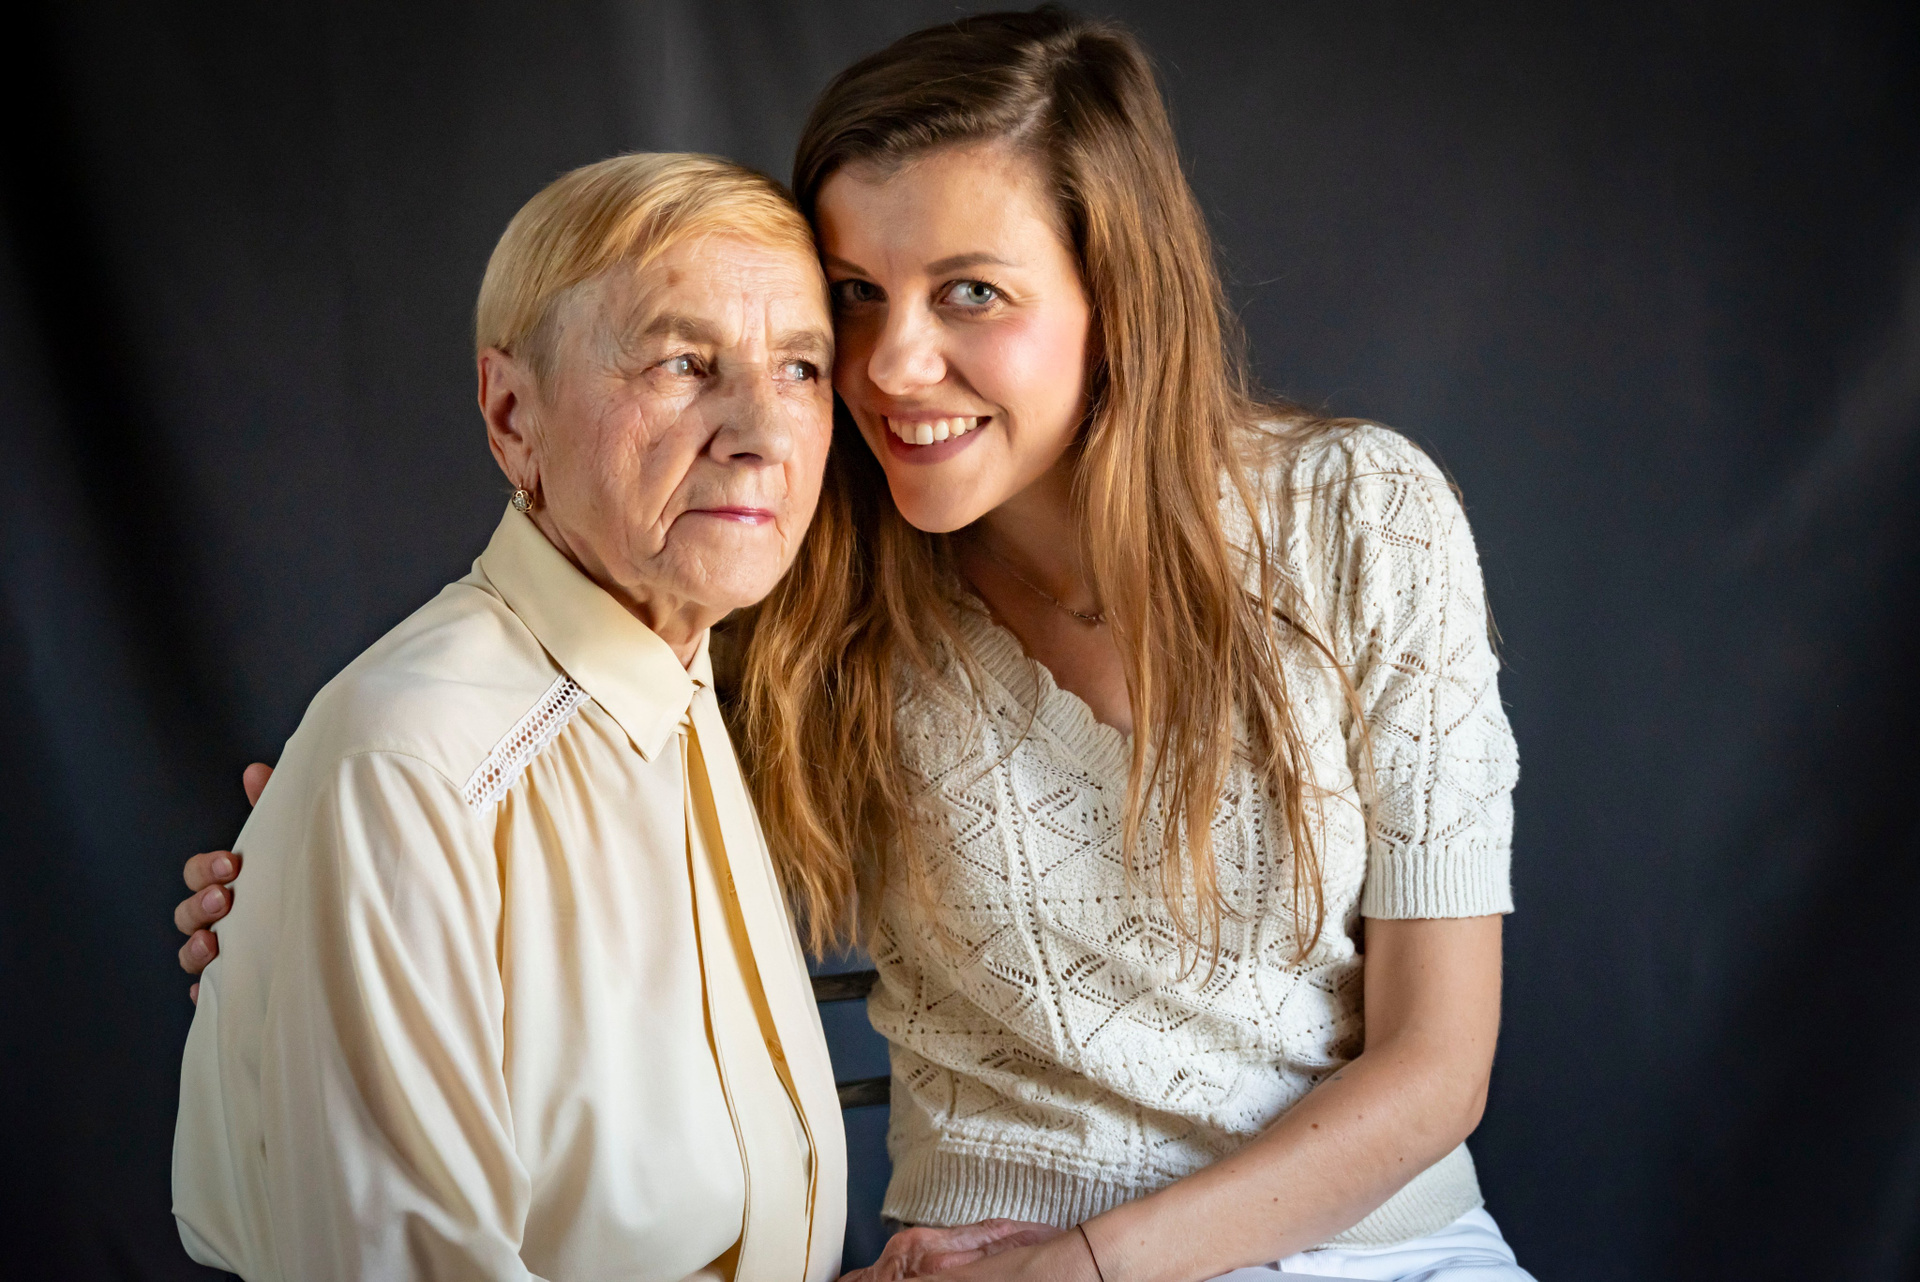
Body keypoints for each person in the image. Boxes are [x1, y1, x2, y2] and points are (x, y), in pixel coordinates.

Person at [179, 9, 1533, 1280]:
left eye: (971, 292)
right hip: (984, 1254)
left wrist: (1093, 1268)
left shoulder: (1363, 518)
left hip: (1381, 1242)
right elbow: (539, 790)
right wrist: (322, 892)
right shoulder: (791, 579)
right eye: (859, 296)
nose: (889, 363)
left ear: (1116, 298)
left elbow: (1436, 1064)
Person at [170, 152, 846, 1281]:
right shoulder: (411, 766)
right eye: (684, 363)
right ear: (512, 414)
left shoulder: (684, 677)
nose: (764, 431)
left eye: (802, 368)